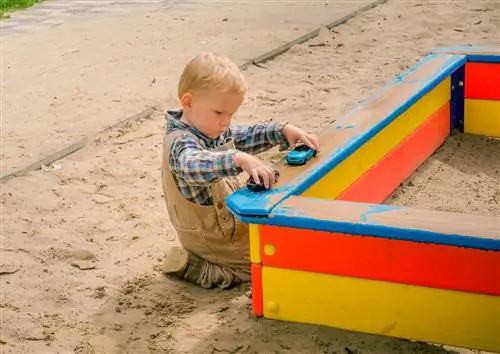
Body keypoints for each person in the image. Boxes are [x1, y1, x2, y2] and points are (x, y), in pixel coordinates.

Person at [160, 52, 320, 289]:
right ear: (188, 101)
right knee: (264, 264)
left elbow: (243, 135)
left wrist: (282, 131)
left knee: (278, 241)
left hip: (228, 228)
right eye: (219, 113)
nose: (226, 122)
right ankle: (200, 269)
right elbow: (193, 164)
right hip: (212, 239)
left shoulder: (210, 127)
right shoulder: (180, 143)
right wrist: (237, 158)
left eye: (231, 114)